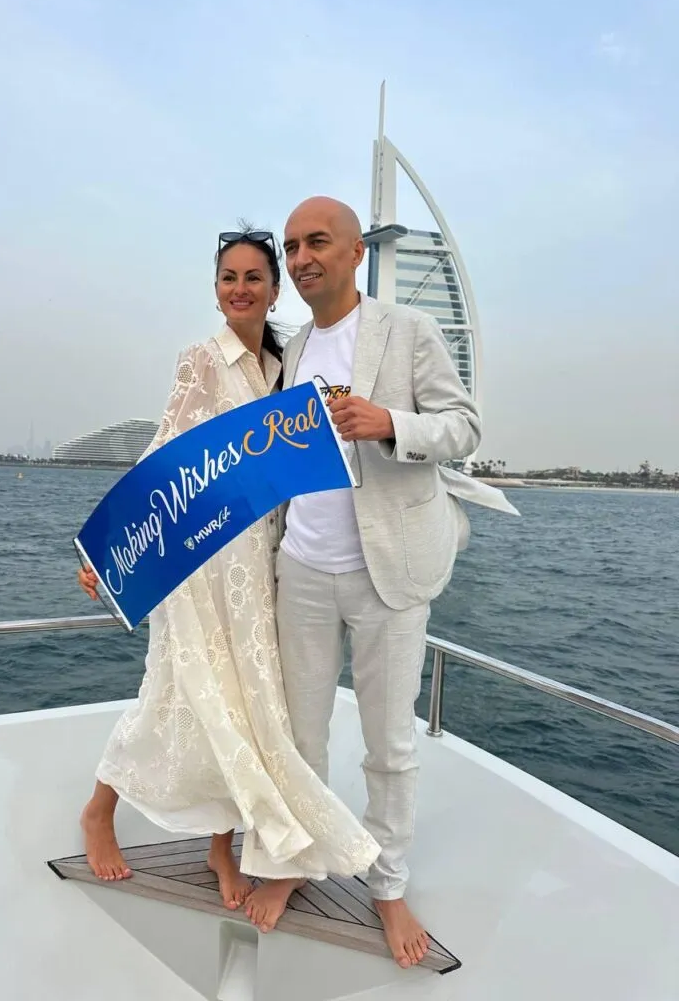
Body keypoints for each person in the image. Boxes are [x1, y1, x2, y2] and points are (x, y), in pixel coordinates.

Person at [77, 228, 380, 931]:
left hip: (260, 559)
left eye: (252, 277)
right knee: (177, 688)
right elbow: (162, 452)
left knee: (248, 704)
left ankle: (222, 845)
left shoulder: (285, 365)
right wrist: (106, 550)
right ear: (215, 289)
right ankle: (99, 810)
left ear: (275, 290)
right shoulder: (203, 362)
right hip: (198, 561)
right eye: (227, 278)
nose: (239, 288)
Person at [276, 196, 519, 968]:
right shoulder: (289, 349)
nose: (302, 257)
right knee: (298, 735)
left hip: (390, 570)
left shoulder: (407, 331)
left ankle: (387, 885)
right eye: (291, 247)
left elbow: (464, 425)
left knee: (390, 742)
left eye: (317, 242)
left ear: (353, 253)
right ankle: (298, 860)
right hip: (303, 566)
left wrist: (390, 423)